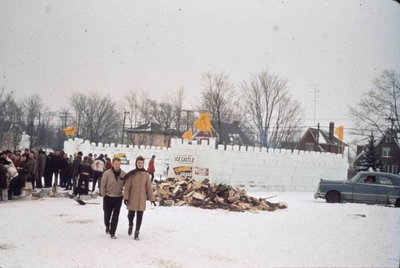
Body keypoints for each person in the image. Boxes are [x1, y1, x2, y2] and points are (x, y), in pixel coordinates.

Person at [123, 156, 156, 241]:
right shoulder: (131, 174)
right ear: (136, 163)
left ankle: (137, 232)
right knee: (131, 215)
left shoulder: (146, 174)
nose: (140, 164)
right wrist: (126, 198)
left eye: (141, 163)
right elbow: (127, 187)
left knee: (140, 216)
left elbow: (149, 187)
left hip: (141, 198)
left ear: (143, 164)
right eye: (139, 163)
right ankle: (130, 224)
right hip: (132, 198)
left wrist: (152, 198)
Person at [100, 157, 125, 239]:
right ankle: (107, 225)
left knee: (115, 216)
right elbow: (102, 185)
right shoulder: (107, 173)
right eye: (116, 164)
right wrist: (104, 195)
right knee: (107, 215)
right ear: (113, 164)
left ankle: (112, 232)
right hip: (108, 197)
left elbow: (127, 185)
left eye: (119, 164)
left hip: (118, 198)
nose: (117, 165)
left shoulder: (123, 174)